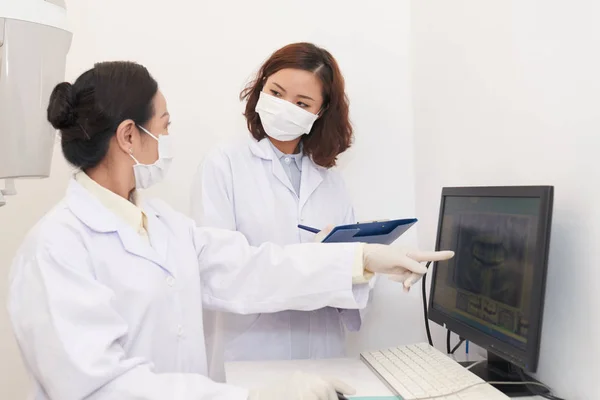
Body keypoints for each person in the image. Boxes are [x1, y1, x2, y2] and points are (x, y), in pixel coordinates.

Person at [8, 61, 453, 400]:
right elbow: (101, 389)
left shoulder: (163, 225)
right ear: (129, 136)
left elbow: (250, 267)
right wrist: (253, 396)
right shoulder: (56, 249)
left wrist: (361, 259)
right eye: (164, 126)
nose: (168, 138)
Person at [192, 43, 387, 374]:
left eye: (301, 103)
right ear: (261, 87)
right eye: (276, 93)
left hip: (325, 358)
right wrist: (330, 264)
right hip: (251, 358)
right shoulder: (224, 164)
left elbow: (352, 277)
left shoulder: (331, 181)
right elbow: (220, 272)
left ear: (319, 112)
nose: (284, 108)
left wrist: (362, 264)